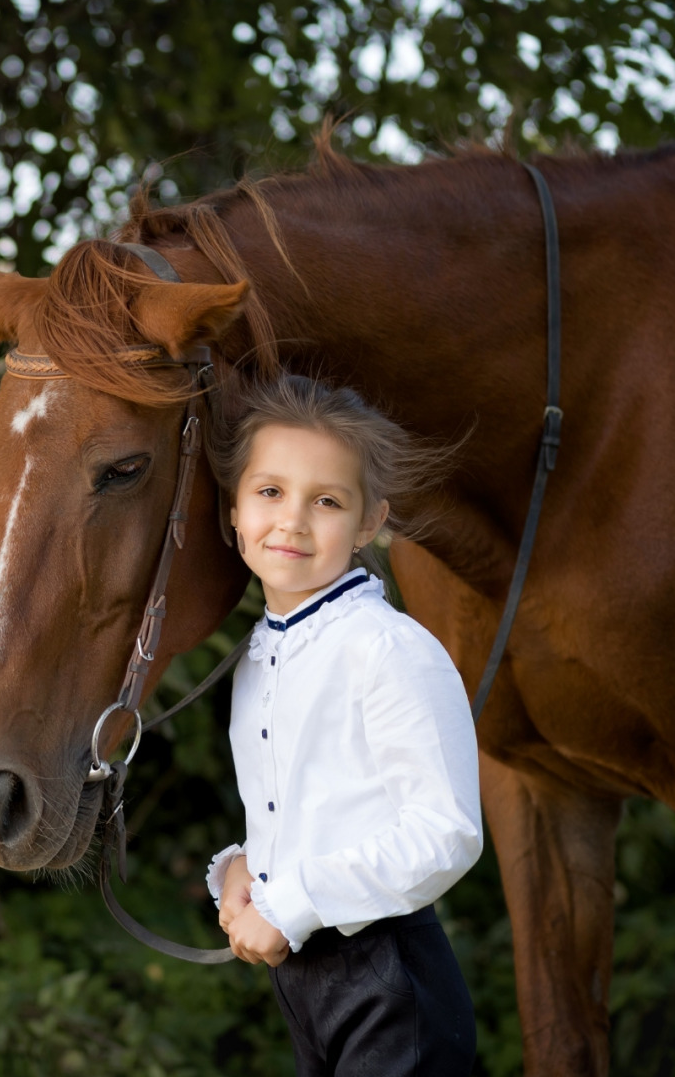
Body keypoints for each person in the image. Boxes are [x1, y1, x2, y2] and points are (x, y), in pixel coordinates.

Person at [205, 373, 482, 1077]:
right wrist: (246, 866)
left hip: (387, 982)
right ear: (234, 510)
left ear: (367, 523)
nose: (293, 520)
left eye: (326, 501)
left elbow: (445, 831)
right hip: (305, 980)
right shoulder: (258, 657)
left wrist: (291, 900)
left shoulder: (388, 650)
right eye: (269, 492)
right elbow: (322, 807)